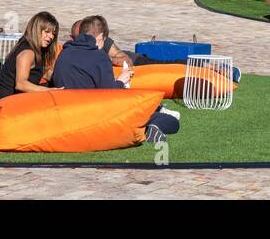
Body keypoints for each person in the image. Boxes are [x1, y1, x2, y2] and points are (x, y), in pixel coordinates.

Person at [54, 16, 181, 144]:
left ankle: (155, 112)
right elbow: (111, 95)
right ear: (101, 37)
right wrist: (121, 80)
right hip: (94, 117)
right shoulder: (99, 57)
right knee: (171, 121)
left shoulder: (64, 54)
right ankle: (151, 127)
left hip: (66, 114)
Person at [0, 12, 59, 104]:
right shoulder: (28, 53)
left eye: (53, 34)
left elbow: (42, 71)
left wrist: (59, 77)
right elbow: (21, 84)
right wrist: (49, 91)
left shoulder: (31, 46)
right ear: (36, 30)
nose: (51, 37)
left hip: (8, 101)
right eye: (47, 32)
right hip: (3, 106)